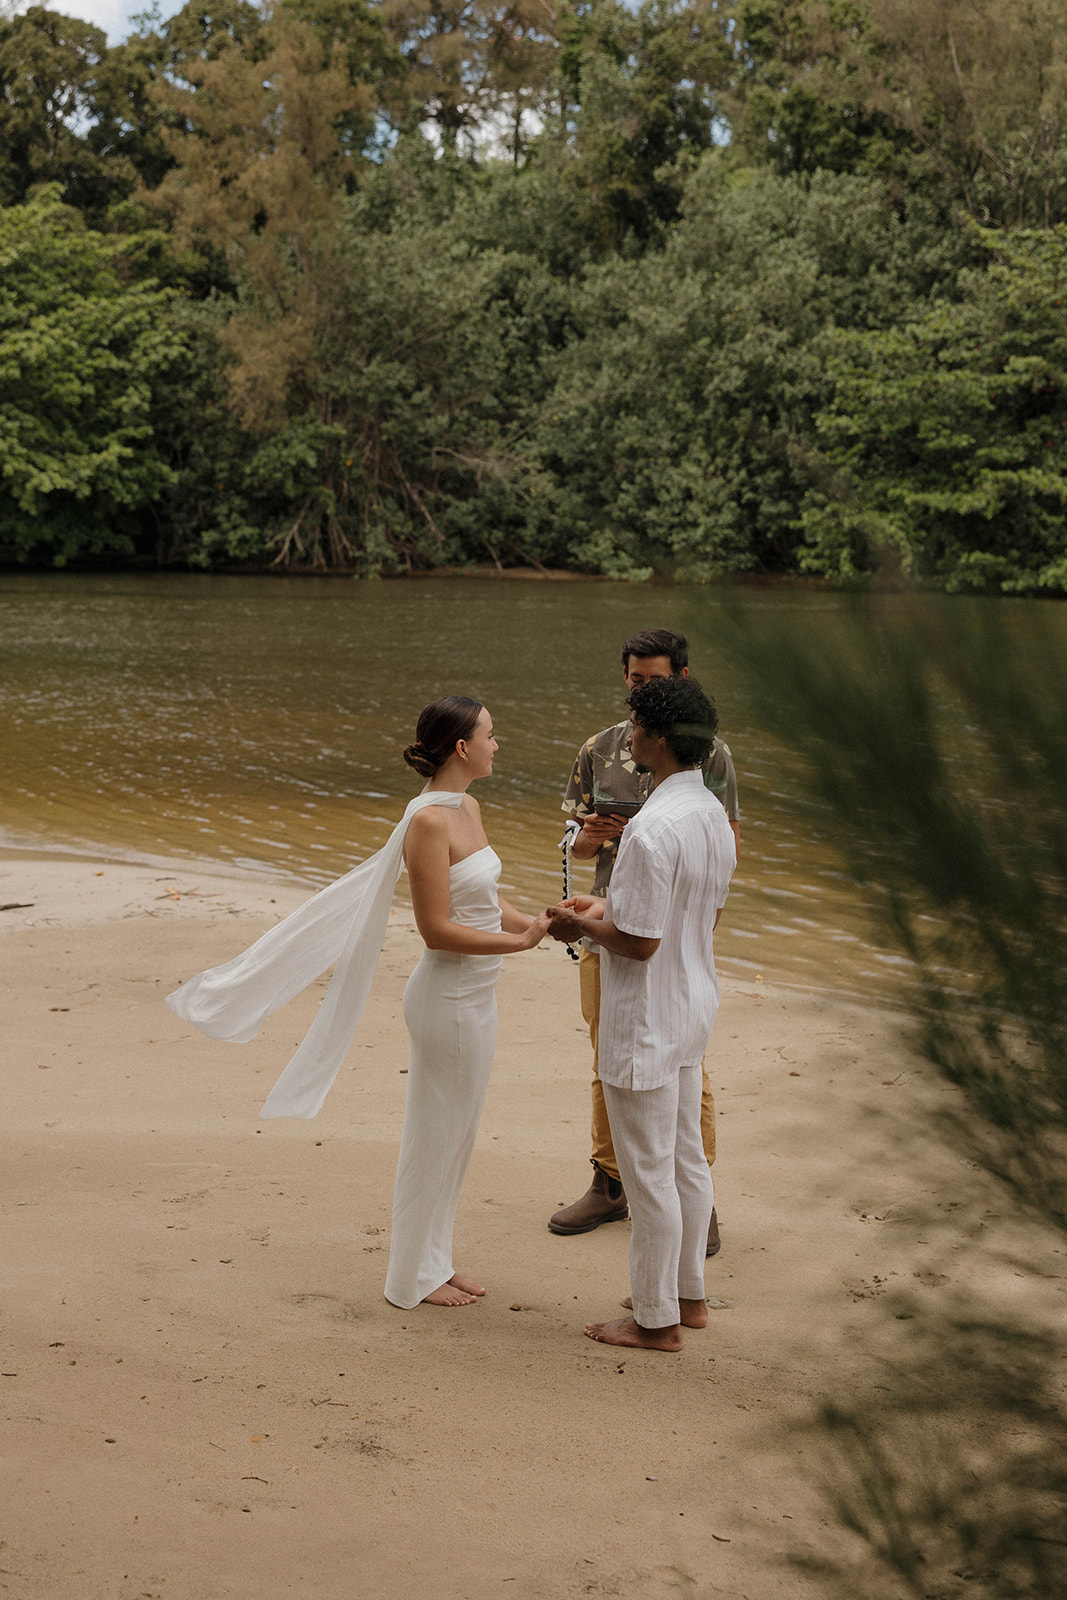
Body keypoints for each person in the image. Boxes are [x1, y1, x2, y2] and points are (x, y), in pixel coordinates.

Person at [167, 696, 550, 1313]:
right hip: (446, 998)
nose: (496, 744)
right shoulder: (427, 822)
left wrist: (535, 920)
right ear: (462, 747)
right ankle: (409, 1279)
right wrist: (521, 942)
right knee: (434, 1136)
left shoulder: (468, 807)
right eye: (490, 735)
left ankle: (436, 1261)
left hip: (479, 996)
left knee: (459, 1137)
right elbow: (436, 928)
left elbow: (482, 896)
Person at [547, 676, 736, 1351]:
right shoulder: (709, 814)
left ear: (655, 738)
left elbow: (641, 940)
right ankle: (686, 1296)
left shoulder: (651, 827)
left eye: (633, 726)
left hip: (647, 1017)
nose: (627, 736)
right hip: (691, 1005)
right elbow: (687, 915)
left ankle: (654, 1320)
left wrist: (583, 928)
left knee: (649, 1170)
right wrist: (605, 913)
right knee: (685, 1159)